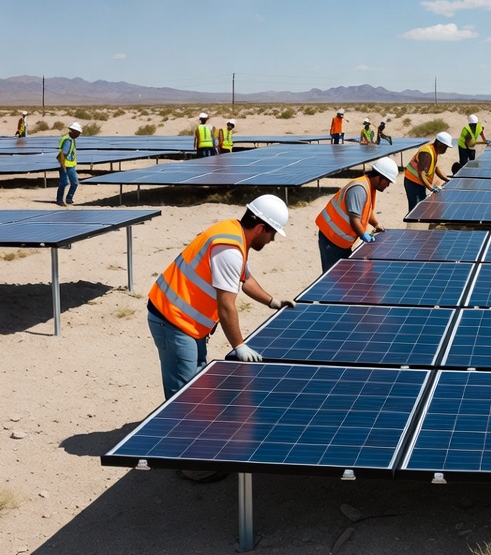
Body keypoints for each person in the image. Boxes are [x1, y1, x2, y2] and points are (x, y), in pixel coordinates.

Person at [147, 194, 295, 401]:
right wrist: (239, 346)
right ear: (261, 228)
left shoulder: (233, 233)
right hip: (172, 319)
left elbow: (246, 278)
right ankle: (181, 429)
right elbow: (226, 306)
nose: (272, 240)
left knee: (197, 379)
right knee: (184, 395)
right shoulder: (229, 250)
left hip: (188, 321)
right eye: (273, 234)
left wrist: (272, 301)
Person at [315, 158, 398, 273]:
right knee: (332, 277)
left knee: (344, 275)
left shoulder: (370, 187)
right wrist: (363, 235)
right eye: (387, 181)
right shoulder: (359, 189)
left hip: (342, 240)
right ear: (379, 177)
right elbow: (354, 219)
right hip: (331, 237)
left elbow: (367, 213)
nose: (388, 185)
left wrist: (376, 225)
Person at [404, 131, 454, 211]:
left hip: (420, 183)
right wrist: (431, 188)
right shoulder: (427, 153)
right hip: (412, 183)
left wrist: (447, 180)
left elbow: (436, 168)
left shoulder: (434, 151)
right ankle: (413, 223)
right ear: (439, 144)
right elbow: (421, 173)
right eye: (445, 147)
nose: (446, 149)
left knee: (421, 205)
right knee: (416, 208)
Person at [56, 122, 82, 205]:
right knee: (64, 183)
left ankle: (69, 198)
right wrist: (63, 166)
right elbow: (63, 154)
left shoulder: (71, 139)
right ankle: (59, 200)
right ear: (73, 132)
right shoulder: (68, 140)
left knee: (74, 182)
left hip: (71, 165)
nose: (78, 135)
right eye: (78, 133)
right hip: (66, 165)